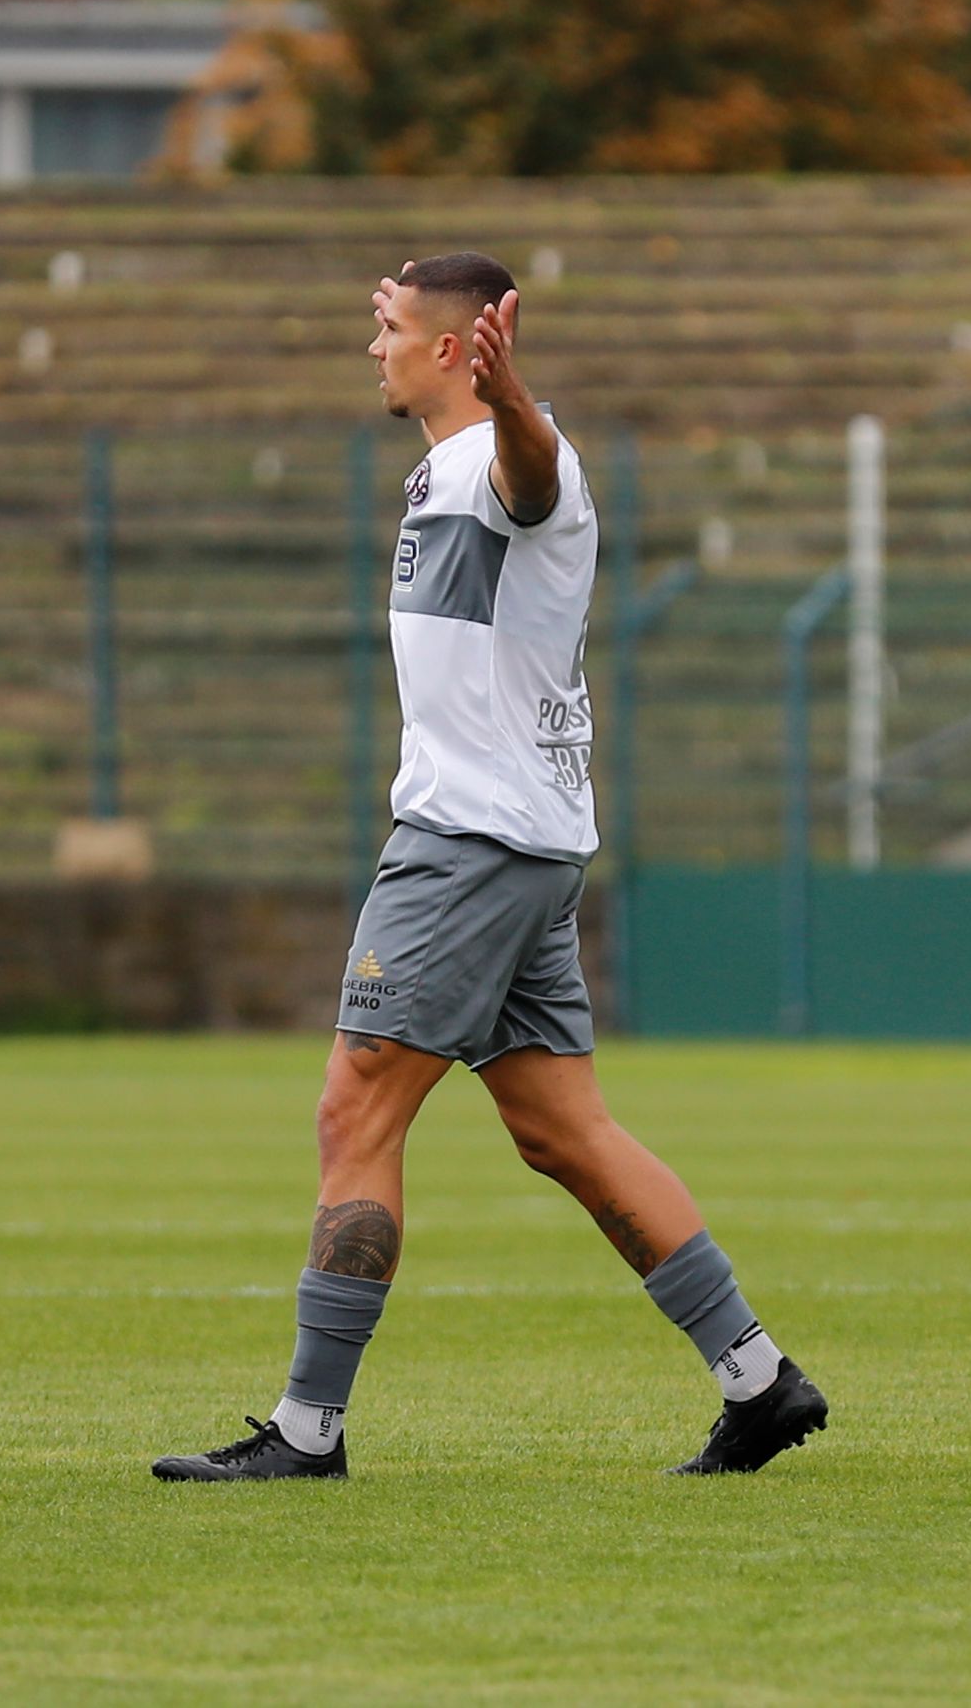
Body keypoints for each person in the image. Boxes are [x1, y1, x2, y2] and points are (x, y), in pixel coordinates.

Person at [152, 253, 829, 1484]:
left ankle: (306, 1433)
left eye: (392, 325)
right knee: (562, 1131)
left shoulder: (517, 458)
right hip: (516, 839)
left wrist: (516, 399)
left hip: (465, 845)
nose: (373, 346)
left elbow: (533, 471)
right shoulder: (444, 466)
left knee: (353, 1108)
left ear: (459, 347)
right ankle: (758, 1378)